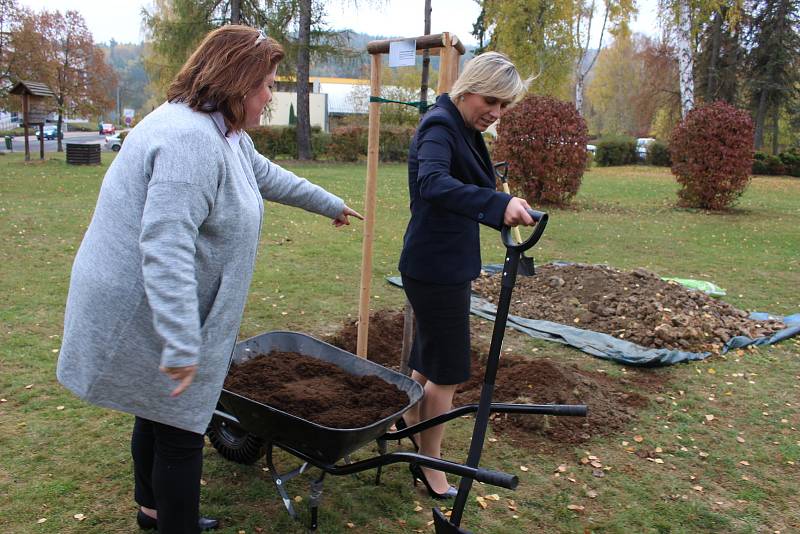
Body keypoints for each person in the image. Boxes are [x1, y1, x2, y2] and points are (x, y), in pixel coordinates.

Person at [56, 25, 362, 533]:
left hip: (153, 300)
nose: (271, 96)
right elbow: (166, 244)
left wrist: (326, 202)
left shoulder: (220, 130)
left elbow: (263, 174)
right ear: (236, 81)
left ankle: (151, 512)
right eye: (266, 84)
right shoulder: (189, 142)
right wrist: (180, 342)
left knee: (156, 408)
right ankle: (173, 522)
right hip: (142, 305)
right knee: (178, 428)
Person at [397, 51, 533, 499]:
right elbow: (432, 183)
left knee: (427, 361)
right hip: (435, 268)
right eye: (490, 101)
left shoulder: (462, 126)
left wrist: (501, 196)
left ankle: (413, 438)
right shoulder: (440, 125)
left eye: (503, 106)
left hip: (440, 263)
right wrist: (496, 206)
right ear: (469, 87)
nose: (495, 113)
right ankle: (431, 467)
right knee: (449, 371)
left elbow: (466, 180)